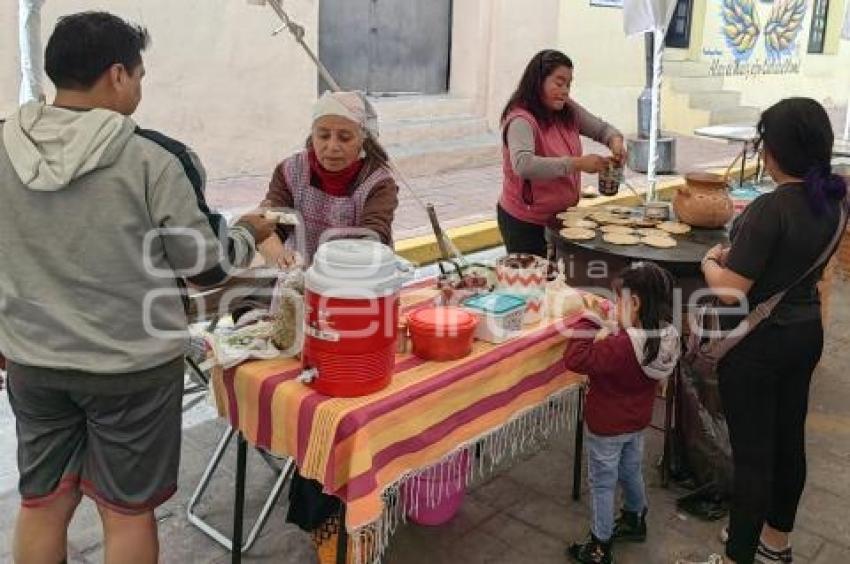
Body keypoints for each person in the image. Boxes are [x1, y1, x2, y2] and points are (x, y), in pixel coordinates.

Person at [0, 12, 275, 564]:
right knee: (126, 511)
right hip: (130, 369)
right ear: (118, 74)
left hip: (33, 361)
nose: (140, 89)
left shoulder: (5, 147)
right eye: (141, 76)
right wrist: (249, 231)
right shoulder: (152, 156)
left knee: (43, 503)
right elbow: (206, 268)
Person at [684, 98, 848, 564]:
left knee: (753, 454)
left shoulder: (769, 210)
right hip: (805, 335)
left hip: (758, 345)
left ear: (774, 151)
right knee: (789, 442)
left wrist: (709, 261)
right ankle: (776, 543)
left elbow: (731, 292)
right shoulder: (834, 203)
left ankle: (737, 556)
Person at [563, 262, 680, 564]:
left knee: (602, 482)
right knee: (630, 470)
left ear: (637, 303)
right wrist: (617, 325)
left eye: (619, 301)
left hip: (606, 426)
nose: (615, 307)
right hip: (637, 421)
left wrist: (589, 321)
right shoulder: (665, 335)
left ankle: (600, 545)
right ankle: (634, 518)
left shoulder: (623, 346)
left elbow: (575, 359)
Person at [498, 49, 625, 257]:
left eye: (569, 84)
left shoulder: (567, 110)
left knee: (558, 284)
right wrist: (577, 164)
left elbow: (601, 129)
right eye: (559, 83)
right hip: (526, 223)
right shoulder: (521, 119)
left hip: (562, 219)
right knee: (534, 284)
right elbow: (523, 165)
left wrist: (615, 141)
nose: (565, 90)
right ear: (538, 81)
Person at [258, 90, 399, 266]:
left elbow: (373, 237)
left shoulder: (378, 184)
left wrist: (329, 274)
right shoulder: (291, 171)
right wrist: (281, 259)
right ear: (313, 135)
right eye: (323, 136)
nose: (332, 146)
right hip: (300, 274)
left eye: (345, 138)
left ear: (363, 140)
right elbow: (268, 226)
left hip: (358, 275)